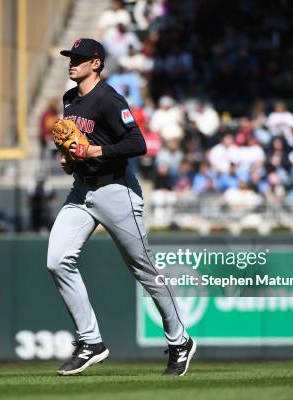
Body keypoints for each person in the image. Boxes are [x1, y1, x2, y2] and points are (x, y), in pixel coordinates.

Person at [48, 38, 194, 377]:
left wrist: (93, 153)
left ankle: (179, 341)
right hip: (82, 192)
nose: (73, 63)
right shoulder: (70, 99)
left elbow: (136, 143)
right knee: (57, 261)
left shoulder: (109, 99)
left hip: (117, 191)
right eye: (71, 58)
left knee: (143, 270)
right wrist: (70, 158)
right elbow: (79, 145)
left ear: (96, 63)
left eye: (80, 59)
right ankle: (91, 342)